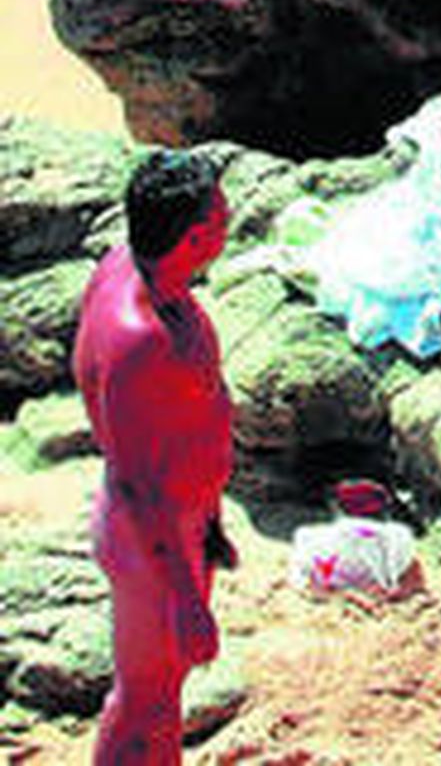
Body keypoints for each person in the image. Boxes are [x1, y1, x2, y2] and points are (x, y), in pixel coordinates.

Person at [74, 149, 237, 765]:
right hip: (152, 539)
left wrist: (211, 520)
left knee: (160, 696)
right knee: (145, 700)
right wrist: (185, 598)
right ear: (196, 235)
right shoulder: (138, 339)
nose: (229, 220)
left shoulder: (122, 262)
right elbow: (140, 483)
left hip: (182, 521)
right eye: (220, 215)